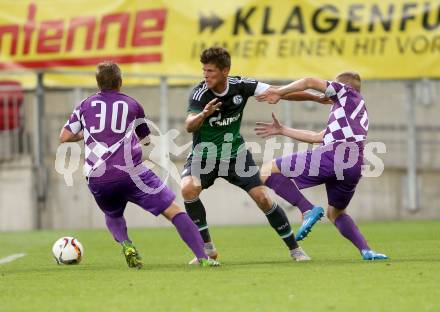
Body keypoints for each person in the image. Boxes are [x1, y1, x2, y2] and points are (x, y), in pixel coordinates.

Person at [60, 61, 219, 269]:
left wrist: (85, 135)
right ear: (120, 81)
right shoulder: (132, 105)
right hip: (131, 173)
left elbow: (64, 136)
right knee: (173, 210)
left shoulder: (84, 105)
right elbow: (145, 140)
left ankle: (126, 244)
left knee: (112, 213)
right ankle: (203, 257)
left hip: (97, 177)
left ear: (98, 83)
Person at [181, 46, 315, 263]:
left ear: (225, 71)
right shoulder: (199, 93)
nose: (206, 75)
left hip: (236, 156)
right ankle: (207, 249)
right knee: (188, 189)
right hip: (204, 156)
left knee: (262, 198)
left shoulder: (241, 86)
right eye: (204, 71)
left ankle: (295, 249)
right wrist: (204, 114)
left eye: (211, 71)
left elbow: (279, 91)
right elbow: (189, 125)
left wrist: (316, 98)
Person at [255, 72, 388, 260]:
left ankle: (306, 209)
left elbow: (309, 81)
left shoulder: (346, 92)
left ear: (341, 85)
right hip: (354, 165)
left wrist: (279, 91)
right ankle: (366, 250)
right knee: (335, 212)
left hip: (333, 155)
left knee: (266, 171)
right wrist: (282, 130)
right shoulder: (354, 110)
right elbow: (316, 137)